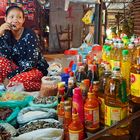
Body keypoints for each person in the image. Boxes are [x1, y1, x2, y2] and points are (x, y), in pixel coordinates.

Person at [0, 6, 49, 91]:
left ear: (23, 20)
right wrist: (0, 34)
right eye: (11, 17)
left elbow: (30, 63)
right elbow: (4, 57)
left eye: (19, 17)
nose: (15, 20)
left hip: (34, 69)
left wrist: (10, 76)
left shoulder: (30, 34)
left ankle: (42, 84)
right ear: (5, 19)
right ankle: (9, 85)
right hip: (17, 69)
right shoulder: (5, 34)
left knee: (15, 82)